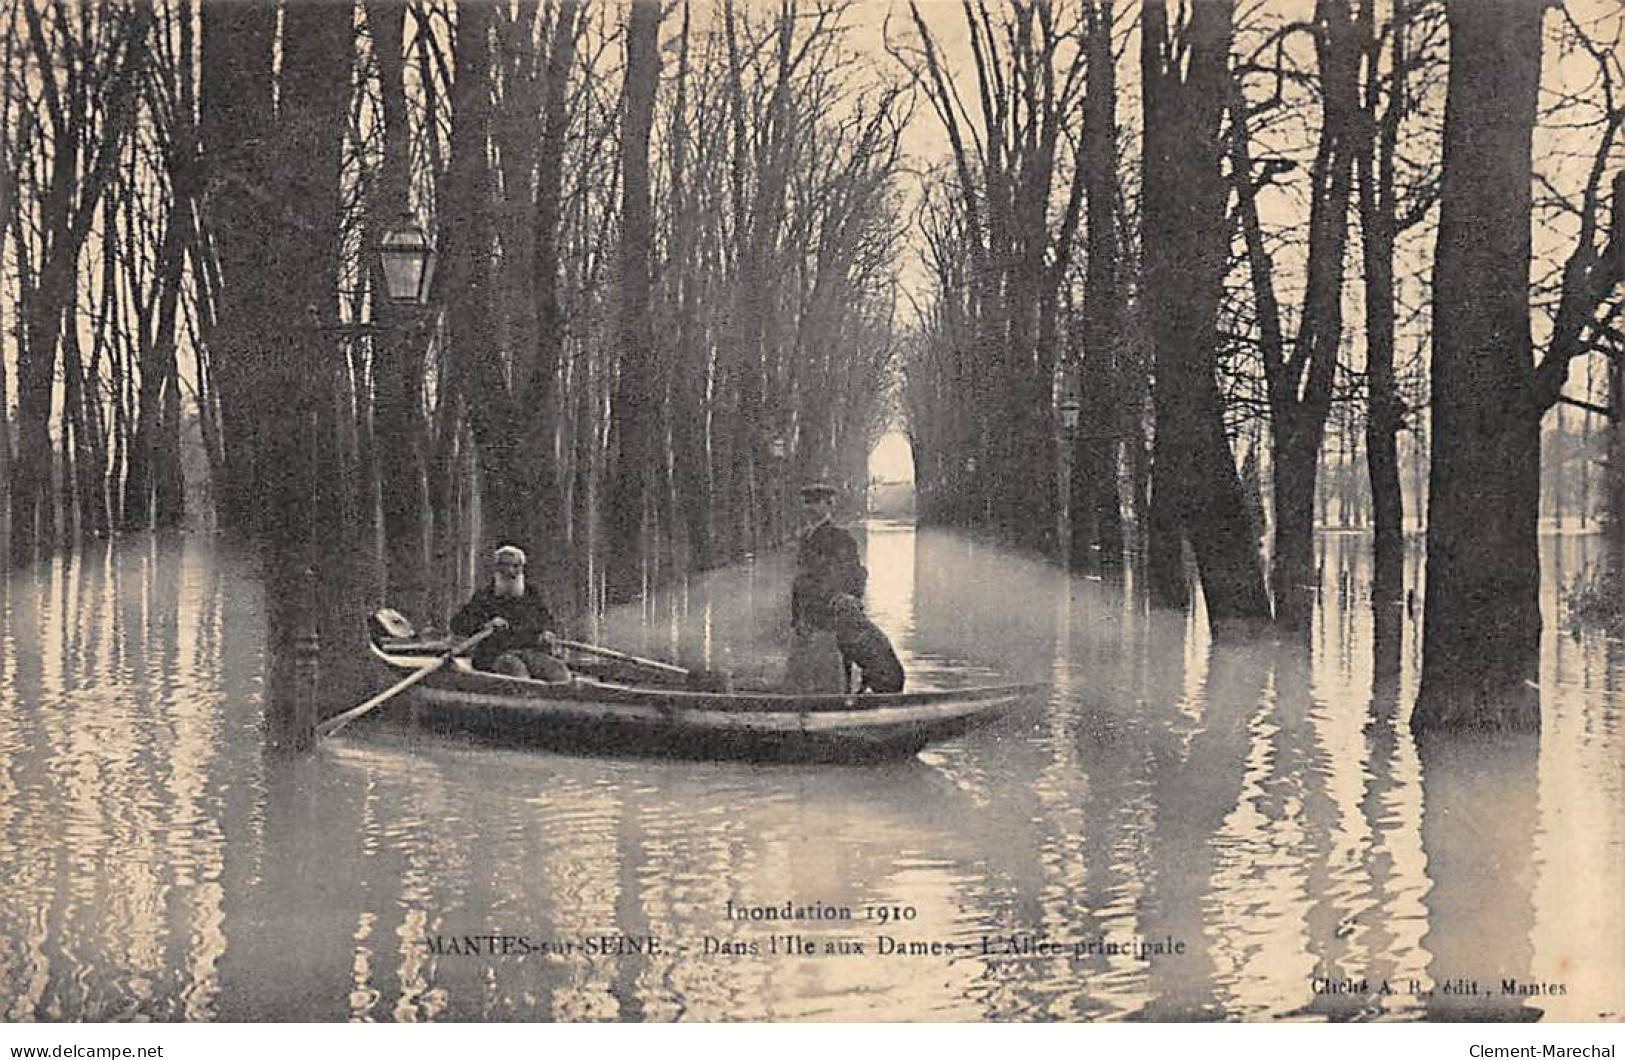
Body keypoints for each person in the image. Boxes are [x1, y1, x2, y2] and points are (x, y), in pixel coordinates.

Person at [450, 545, 570, 682]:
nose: (510, 571)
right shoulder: (485, 597)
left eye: (516, 566)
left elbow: (547, 621)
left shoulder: (532, 596)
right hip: (496, 655)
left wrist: (548, 632)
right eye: (505, 566)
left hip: (530, 652)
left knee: (559, 671)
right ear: (496, 568)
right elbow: (457, 624)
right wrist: (486, 624)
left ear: (522, 568)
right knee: (516, 672)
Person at [790, 481, 866, 633]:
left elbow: (855, 575)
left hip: (828, 616)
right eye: (807, 502)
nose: (810, 507)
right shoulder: (804, 537)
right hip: (805, 615)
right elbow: (800, 579)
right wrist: (796, 618)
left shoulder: (840, 537)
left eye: (817, 502)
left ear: (829, 505)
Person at [828, 593, 904, 694]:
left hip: (887, 680)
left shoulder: (853, 634)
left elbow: (870, 665)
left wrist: (856, 691)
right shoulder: (865, 631)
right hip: (894, 679)